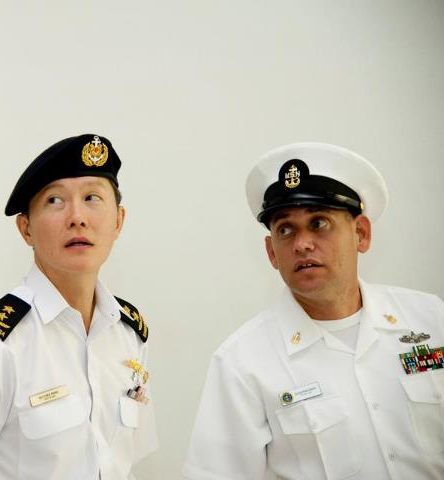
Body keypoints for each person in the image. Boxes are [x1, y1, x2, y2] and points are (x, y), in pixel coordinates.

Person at [182, 142, 444, 479]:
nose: (302, 243)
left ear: (361, 234)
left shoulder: (429, 318)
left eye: (319, 223)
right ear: (272, 253)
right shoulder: (241, 361)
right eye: (285, 230)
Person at [0, 134, 158, 479]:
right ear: (26, 229)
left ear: (118, 221)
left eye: (92, 197)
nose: (77, 217)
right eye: (54, 200)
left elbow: (126, 463)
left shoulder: (128, 334)